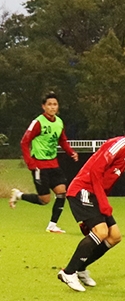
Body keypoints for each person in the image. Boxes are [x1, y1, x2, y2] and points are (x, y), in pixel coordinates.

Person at [57, 111, 125, 292]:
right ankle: (68, 272)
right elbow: (94, 172)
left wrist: (101, 205)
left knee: (114, 236)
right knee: (101, 231)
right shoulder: (119, 144)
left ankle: (80, 268)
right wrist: (102, 204)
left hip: (94, 195)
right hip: (82, 190)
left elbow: (106, 183)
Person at [10, 91, 79, 233]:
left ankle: (52, 225)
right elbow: (24, 142)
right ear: (43, 107)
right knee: (44, 200)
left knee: (62, 192)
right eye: (49, 105)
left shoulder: (59, 122)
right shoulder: (38, 122)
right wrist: (30, 163)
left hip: (53, 164)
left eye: (55, 104)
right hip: (39, 166)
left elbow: (62, 140)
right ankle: (18, 195)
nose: (53, 107)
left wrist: (70, 152)